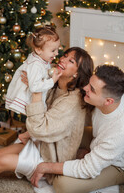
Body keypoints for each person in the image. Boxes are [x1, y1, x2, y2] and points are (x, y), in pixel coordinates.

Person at [0, 47, 94, 193]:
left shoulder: (72, 102)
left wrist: (36, 91)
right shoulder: (54, 84)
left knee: (3, 161)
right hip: (40, 143)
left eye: (70, 61)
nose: (62, 59)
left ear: (77, 73)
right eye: (64, 56)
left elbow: (40, 128)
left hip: (51, 158)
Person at [30, 64, 124, 193]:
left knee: (62, 184)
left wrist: (46, 167)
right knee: (64, 132)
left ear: (108, 101)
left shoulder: (118, 132)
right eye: (89, 83)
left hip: (119, 165)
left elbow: (87, 169)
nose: (85, 88)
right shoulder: (111, 95)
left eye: (91, 89)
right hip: (99, 138)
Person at [5, 26, 61, 115]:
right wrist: (52, 81)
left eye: (58, 49)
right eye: (53, 50)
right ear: (38, 50)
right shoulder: (35, 65)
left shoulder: (41, 59)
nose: (57, 53)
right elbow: (35, 87)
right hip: (29, 102)